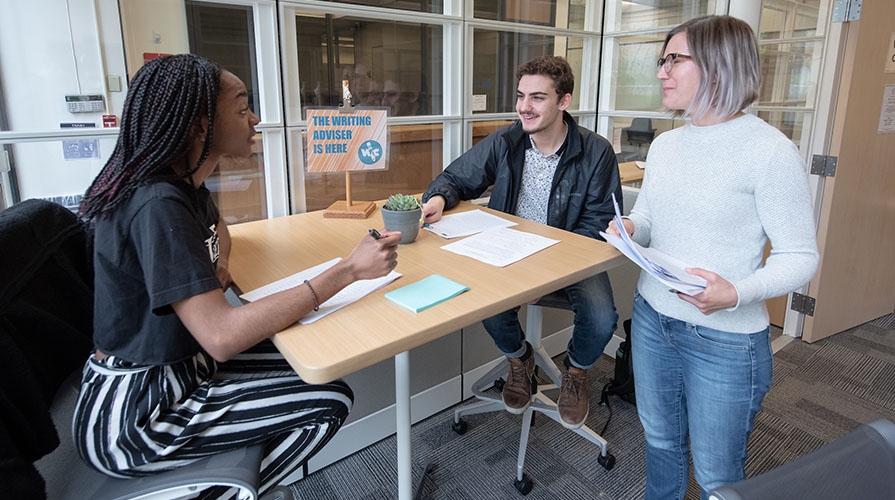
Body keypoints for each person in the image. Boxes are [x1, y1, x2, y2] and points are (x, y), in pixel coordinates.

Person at [74, 54, 401, 498]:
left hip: (184, 366)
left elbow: (219, 232)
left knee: (304, 356)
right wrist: (346, 271)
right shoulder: (157, 205)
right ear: (199, 124)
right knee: (329, 401)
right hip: (140, 411)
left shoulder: (183, 185)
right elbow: (222, 336)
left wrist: (216, 266)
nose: (255, 119)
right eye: (242, 107)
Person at [606, 15, 819, 499]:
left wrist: (737, 292)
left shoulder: (770, 152)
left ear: (719, 67)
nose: (661, 71)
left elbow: (800, 256)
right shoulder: (665, 145)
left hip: (725, 341)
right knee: (660, 443)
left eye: (673, 59)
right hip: (652, 318)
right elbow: (654, 220)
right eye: (662, 60)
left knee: (718, 474)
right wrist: (631, 228)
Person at [421, 55, 621, 429]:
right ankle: (518, 359)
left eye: (537, 98)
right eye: (520, 96)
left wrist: (543, 273)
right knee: (485, 300)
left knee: (601, 318)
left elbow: (597, 225)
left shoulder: (596, 152)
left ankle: (575, 373)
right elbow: (457, 177)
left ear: (564, 101)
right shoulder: (507, 140)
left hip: (571, 257)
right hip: (509, 252)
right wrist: (437, 198)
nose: (524, 107)